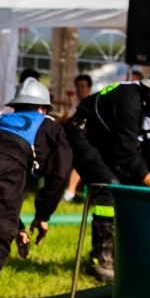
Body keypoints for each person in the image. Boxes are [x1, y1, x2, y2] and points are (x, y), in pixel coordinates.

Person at [0, 77, 72, 298]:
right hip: (8, 165)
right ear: (42, 108)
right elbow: (60, 173)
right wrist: (43, 214)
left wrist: (18, 226)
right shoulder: (49, 125)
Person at [65, 66, 150, 282]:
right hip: (82, 135)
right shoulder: (129, 102)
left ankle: (125, 256)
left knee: (131, 188)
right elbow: (128, 155)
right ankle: (100, 259)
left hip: (108, 141)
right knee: (110, 187)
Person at [62, 74, 92, 202]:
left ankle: (70, 191)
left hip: (87, 143)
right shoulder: (75, 104)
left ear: (89, 88)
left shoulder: (92, 104)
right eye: (78, 86)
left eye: (83, 86)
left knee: (79, 157)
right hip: (72, 140)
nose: (81, 89)